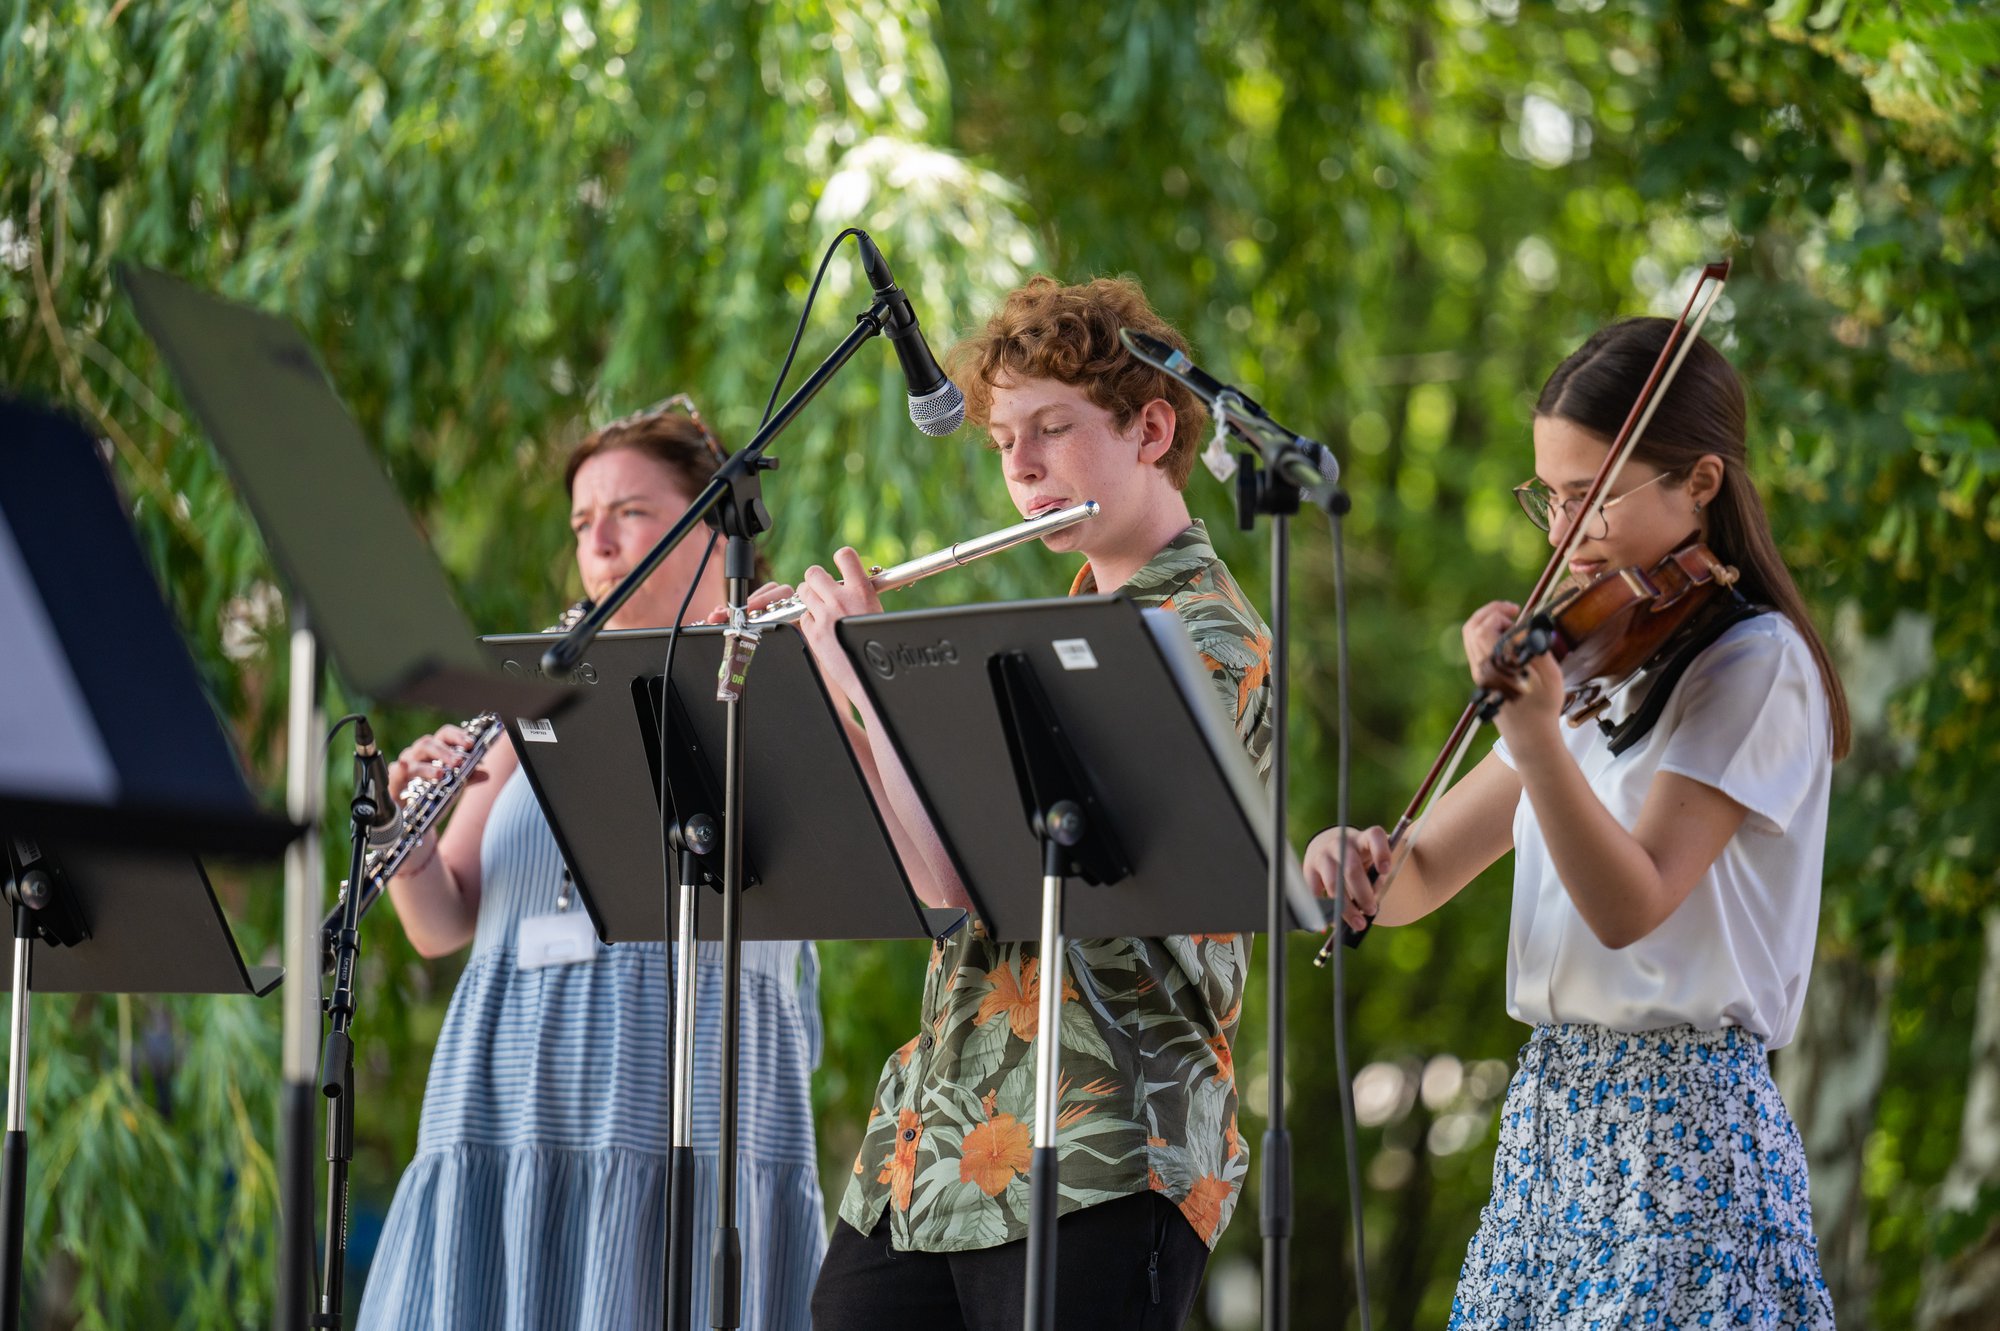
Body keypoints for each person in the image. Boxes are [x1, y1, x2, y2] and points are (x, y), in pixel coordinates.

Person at [1306, 318, 1848, 1328]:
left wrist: (1536, 734)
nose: (1563, 529)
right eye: (1549, 495)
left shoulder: (1749, 662)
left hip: (1679, 1134)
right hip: (1550, 1114)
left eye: (1592, 495)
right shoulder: (1595, 656)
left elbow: (1628, 903)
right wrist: (1347, 858)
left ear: (1699, 481)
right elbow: (1420, 875)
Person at [792, 276, 1273, 1331]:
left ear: (1151, 428)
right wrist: (839, 688)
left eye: (1050, 429)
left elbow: (987, 871)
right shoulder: (1042, 633)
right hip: (931, 1146)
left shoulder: (1204, 635)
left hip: (1103, 1141)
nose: (1018, 466)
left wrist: (861, 671)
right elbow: (939, 881)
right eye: (1004, 437)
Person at [356, 401, 826, 1331]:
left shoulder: (781, 668)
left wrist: (805, 669)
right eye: (582, 523)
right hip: (507, 1099)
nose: (600, 544)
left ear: (713, 526)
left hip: (676, 1096)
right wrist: (400, 834)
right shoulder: (532, 691)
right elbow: (439, 922)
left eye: (631, 513)